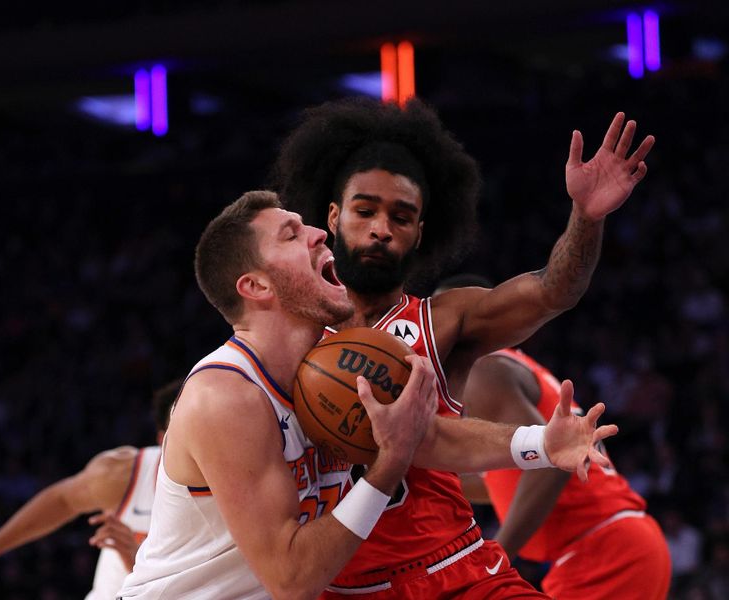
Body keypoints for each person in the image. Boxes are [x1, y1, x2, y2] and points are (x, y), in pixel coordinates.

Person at [117, 191, 615, 600]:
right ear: (257, 286)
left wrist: (540, 443)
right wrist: (386, 467)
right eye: (292, 234)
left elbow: (421, 436)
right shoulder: (225, 396)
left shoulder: (330, 362)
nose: (318, 232)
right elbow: (292, 579)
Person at [272, 97, 654, 598]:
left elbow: (551, 291)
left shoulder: (444, 319)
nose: (381, 228)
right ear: (334, 215)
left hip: (454, 571)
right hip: (339, 585)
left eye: (401, 217)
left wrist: (585, 217)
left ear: (420, 233)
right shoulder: (289, 333)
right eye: (365, 211)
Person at [437, 273, 672, 600]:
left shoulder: (484, 371)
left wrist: (495, 556)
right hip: (614, 546)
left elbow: (550, 467)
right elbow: (506, 481)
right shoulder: (505, 370)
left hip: (605, 553)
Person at [0, 380, 181, 600]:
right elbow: (61, 500)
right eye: (185, 428)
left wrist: (139, 561)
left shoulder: (218, 495)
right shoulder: (126, 473)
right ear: (162, 439)